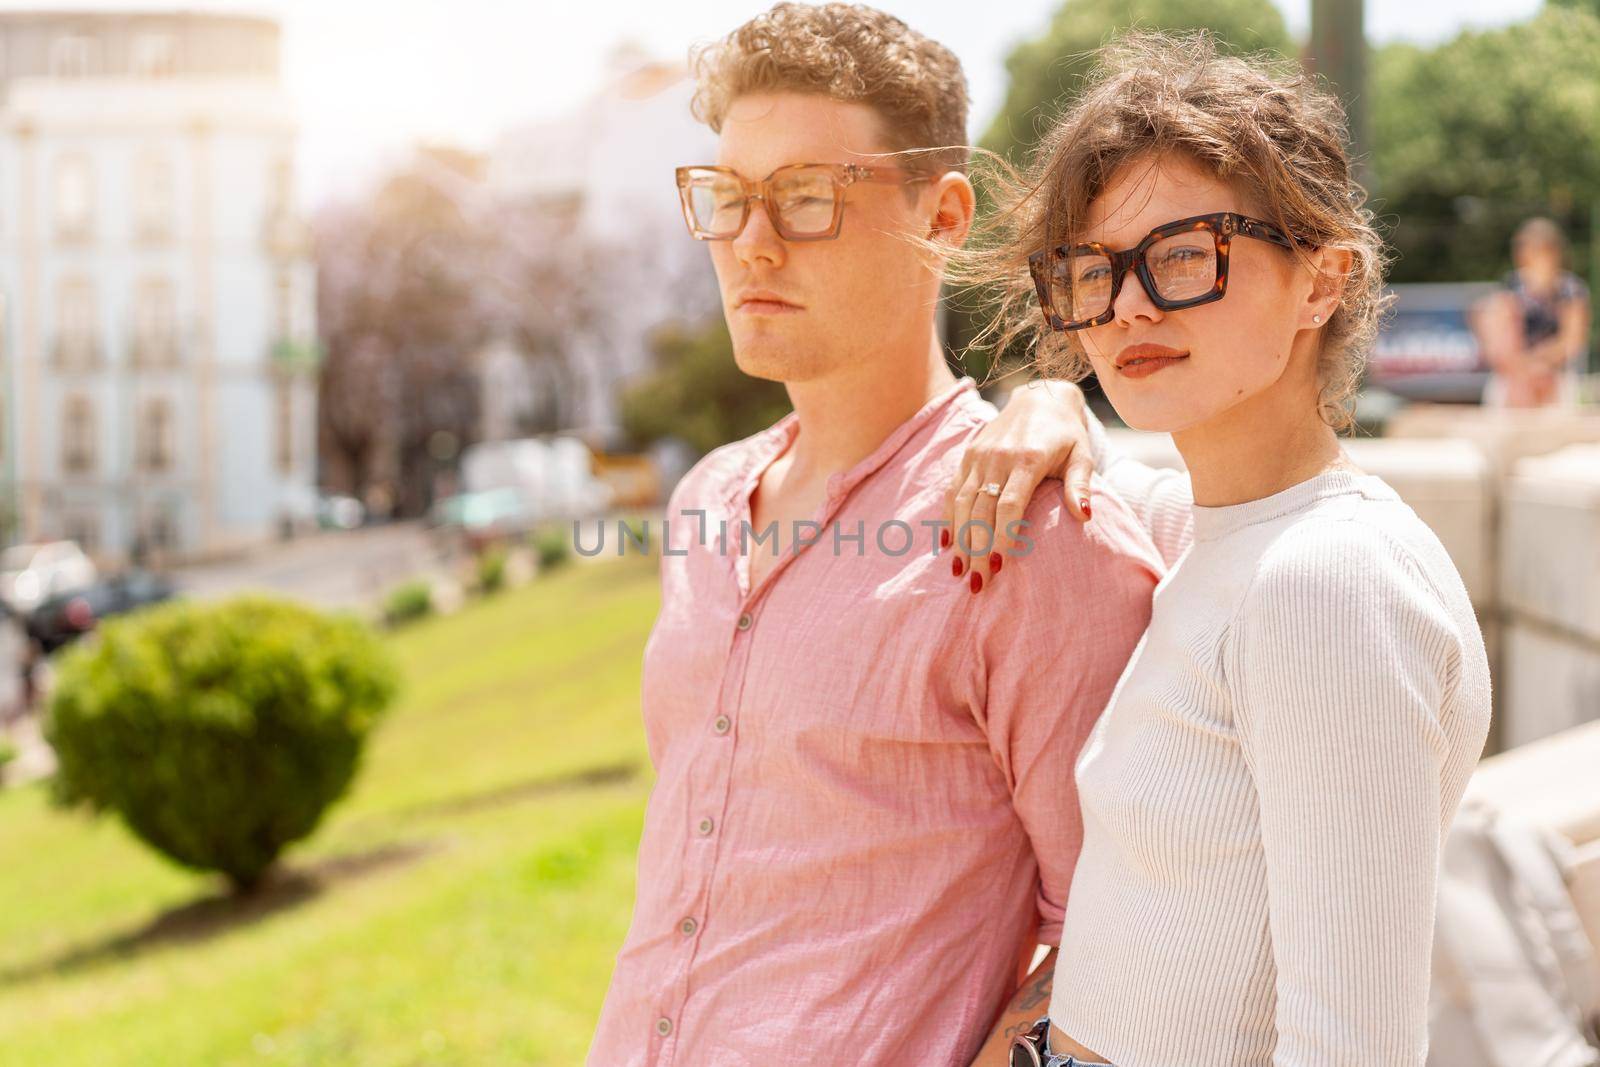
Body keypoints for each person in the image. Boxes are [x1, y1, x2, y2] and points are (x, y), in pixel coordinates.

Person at [586, 6, 1162, 1065]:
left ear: (940, 216)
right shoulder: (707, 501)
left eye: (806, 197)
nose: (750, 242)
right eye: (726, 198)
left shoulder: (1039, 540)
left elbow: (1132, 935)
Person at [948, 33, 1493, 1065]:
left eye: (1184, 253)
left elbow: (1354, 1046)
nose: (1128, 307)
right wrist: (1048, 396)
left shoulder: (1329, 580)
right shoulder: (1221, 533)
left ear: (1321, 280)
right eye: (1090, 272)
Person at [1475, 217, 1591, 408]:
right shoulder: (1510, 287)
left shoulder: (1571, 289)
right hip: (1514, 376)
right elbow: (1499, 340)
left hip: (1555, 375)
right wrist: (1522, 369)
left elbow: (1572, 341)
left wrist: (1542, 364)